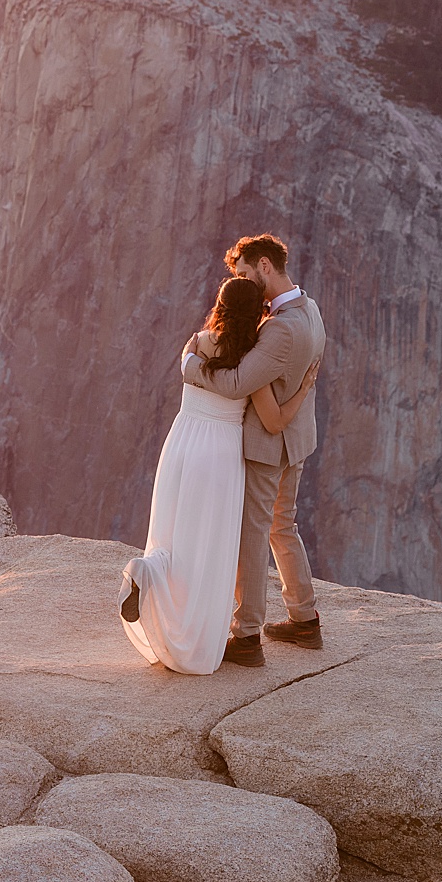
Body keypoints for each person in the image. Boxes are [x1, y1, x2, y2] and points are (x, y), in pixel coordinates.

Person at [121, 275, 319, 675]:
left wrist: (191, 367)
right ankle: (211, 633)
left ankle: (148, 571)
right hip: (220, 458)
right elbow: (275, 421)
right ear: (258, 314)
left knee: (173, 535)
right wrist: (303, 391)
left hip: (180, 447)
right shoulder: (250, 364)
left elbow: (195, 370)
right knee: (211, 547)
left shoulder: (195, 344)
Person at [179, 233, 326, 664]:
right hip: (296, 439)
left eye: (243, 272)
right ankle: (304, 619)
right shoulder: (309, 308)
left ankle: (245, 637)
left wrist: (192, 367)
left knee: (253, 533)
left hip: (268, 445)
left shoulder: (278, 330)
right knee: (284, 526)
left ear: (264, 266)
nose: (241, 281)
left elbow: (239, 383)